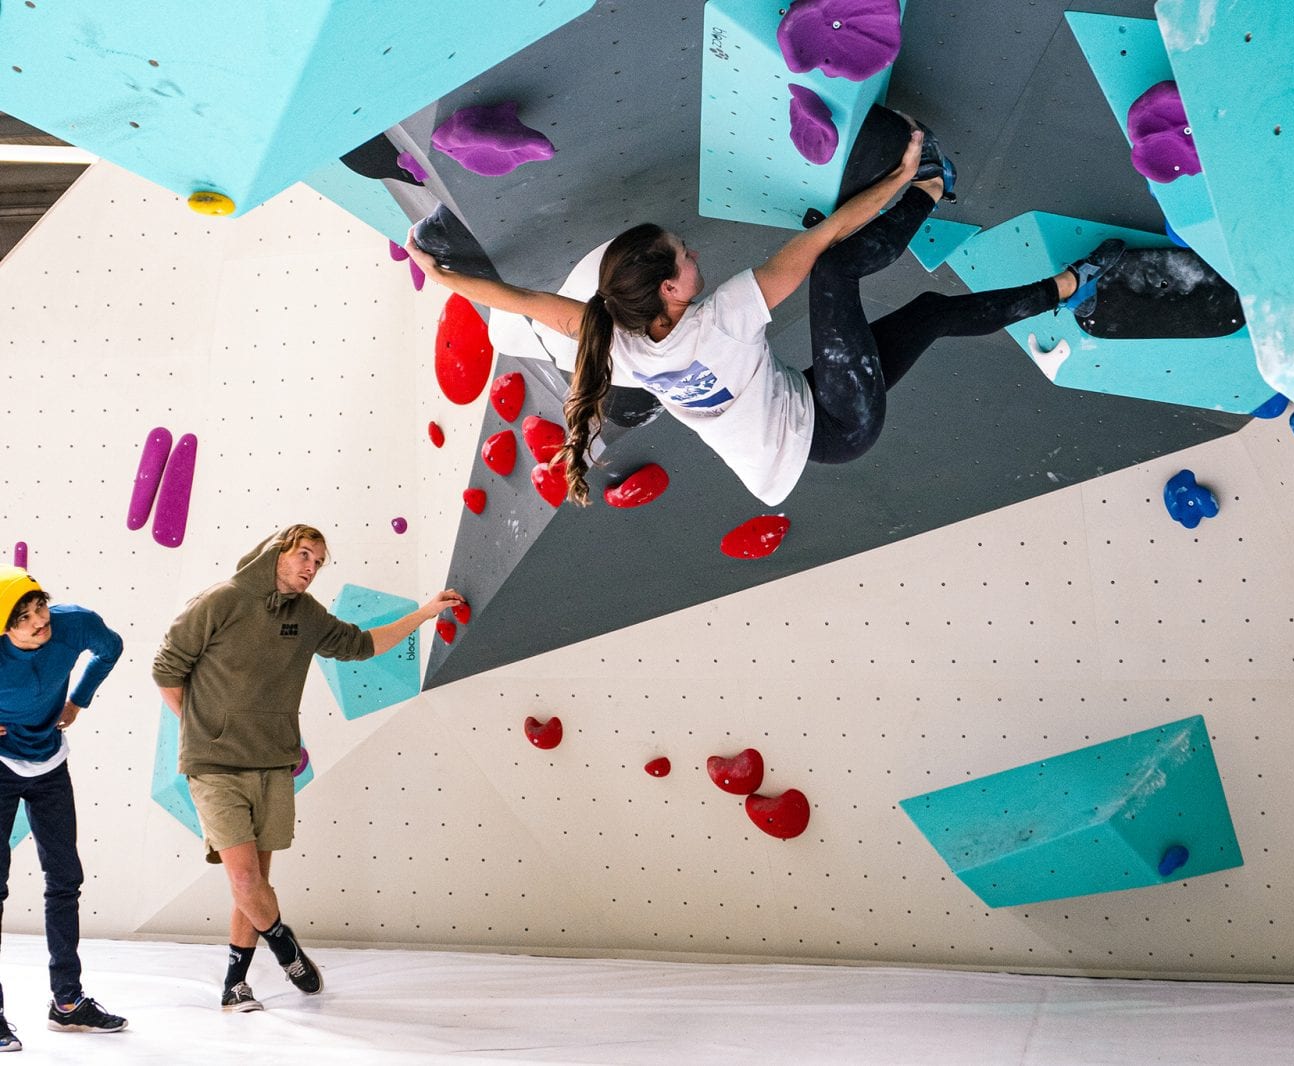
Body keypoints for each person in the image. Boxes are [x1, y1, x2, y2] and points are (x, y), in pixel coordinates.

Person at [407, 119, 1125, 507]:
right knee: (837, 269)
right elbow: (827, 240)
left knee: (931, 313)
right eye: (683, 254)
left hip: (807, 414)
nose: (694, 253)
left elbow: (524, 302)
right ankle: (935, 185)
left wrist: (446, 276)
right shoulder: (719, 318)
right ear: (669, 291)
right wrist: (902, 175)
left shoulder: (617, 339)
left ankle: (1068, 288)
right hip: (836, 423)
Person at [152, 525, 462, 1014]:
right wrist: (204, 729)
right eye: (303, 555)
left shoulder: (308, 614)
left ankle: (235, 986)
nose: (310, 568)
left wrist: (423, 615)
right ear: (277, 552)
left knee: (256, 882)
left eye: (318, 562)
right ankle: (283, 945)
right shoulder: (221, 600)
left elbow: (362, 645)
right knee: (245, 881)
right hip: (214, 766)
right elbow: (166, 669)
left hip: (274, 763)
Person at [0, 566, 127, 1050]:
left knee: (65, 879)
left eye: (40, 607)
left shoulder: (73, 624)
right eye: (25, 617)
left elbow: (110, 648)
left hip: (49, 762)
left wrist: (78, 701)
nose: (39, 621)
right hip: (1, 765)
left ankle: (68, 1004)